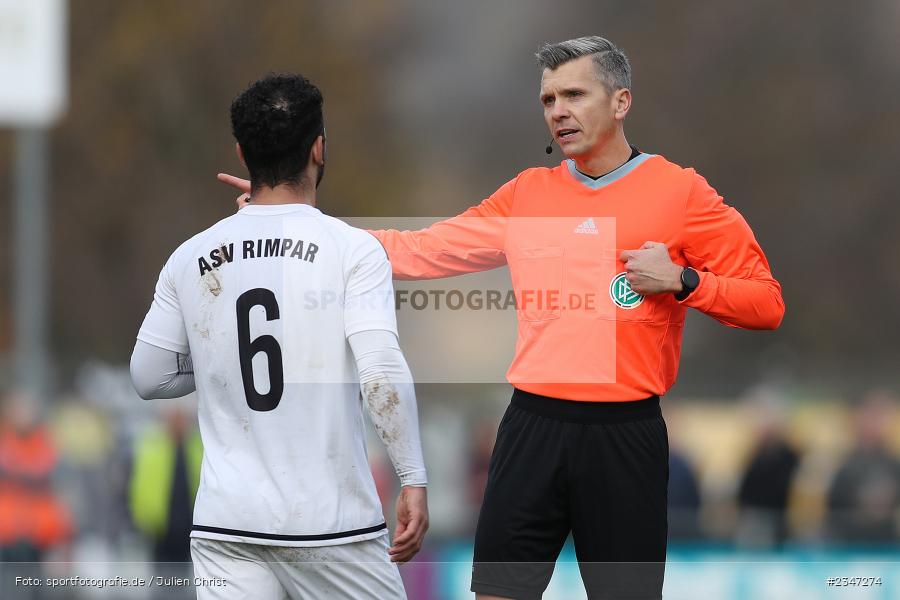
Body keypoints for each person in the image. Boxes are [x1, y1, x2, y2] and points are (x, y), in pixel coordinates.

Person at [220, 36, 785, 600]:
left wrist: (684, 281)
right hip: (531, 430)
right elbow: (416, 249)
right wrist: (289, 219)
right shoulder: (528, 195)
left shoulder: (679, 193)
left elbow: (765, 304)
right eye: (548, 100)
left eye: (574, 94)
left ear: (621, 102)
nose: (558, 111)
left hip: (625, 436)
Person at [132, 74, 428, 599]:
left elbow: (148, 377)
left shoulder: (188, 256)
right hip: (333, 524)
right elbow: (380, 371)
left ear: (242, 153)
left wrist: (217, 356)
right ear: (318, 148)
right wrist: (413, 476)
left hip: (227, 526)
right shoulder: (354, 251)